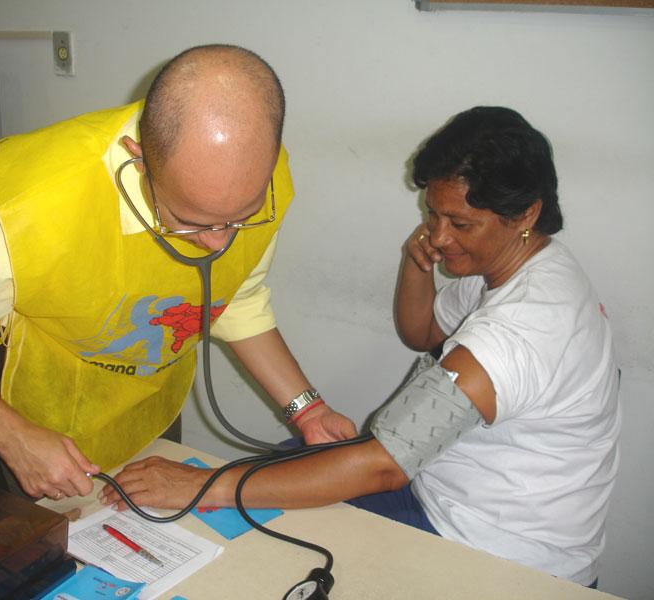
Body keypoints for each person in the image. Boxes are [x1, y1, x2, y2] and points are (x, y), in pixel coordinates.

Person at [101, 106, 620, 588]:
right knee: (286, 466)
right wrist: (416, 263)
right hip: (441, 494)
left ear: (525, 214)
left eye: (460, 224)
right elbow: (422, 333)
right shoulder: (519, 268)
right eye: (433, 215)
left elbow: (384, 464)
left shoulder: (523, 328)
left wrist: (205, 484)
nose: (439, 237)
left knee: (255, 521)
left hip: (498, 554)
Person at [0, 45, 356, 502]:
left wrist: (308, 410)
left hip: (149, 406)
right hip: (44, 430)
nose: (219, 244)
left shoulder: (254, 174)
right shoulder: (22, 208)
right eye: (191, 221)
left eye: (241, 218)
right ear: (139, 161)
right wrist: (13, 438)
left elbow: (234, 296)